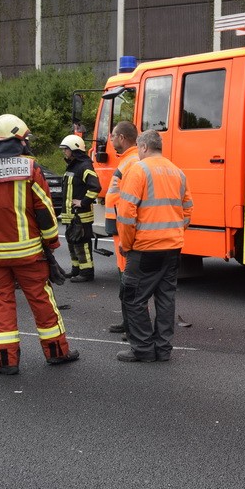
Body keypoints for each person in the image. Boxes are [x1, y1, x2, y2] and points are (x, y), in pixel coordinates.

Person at [0, 114, 79, 375]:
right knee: (41, 300)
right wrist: (51, 242)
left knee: (0, 302)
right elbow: (44, 209)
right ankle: (57, 351)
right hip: (29, 253)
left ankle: (4, 361)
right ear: (18, 139)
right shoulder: (30, 168)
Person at [115, 129, 192, 363]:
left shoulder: (138, 170)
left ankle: (143, 349)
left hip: (145, 249)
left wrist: (126, 245)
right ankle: (163, 349)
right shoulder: (177, 172)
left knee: (133, 298)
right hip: (172, 247)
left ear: (144, 147)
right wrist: (175, 233)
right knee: (165, 299)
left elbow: (127, 214)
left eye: (138, 148)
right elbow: (187, 209)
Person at [102, 121, 140, 334]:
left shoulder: (132, 162)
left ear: (122, 138)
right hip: (119, 229)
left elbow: (130, 202)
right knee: (124, 280)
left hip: (124, 230)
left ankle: (133, 327)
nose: (111, 140)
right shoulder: (128, 160)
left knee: (129, 282)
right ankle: (128, 323)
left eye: (113, 136)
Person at [58, 134, 101, 283]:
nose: (64, 152)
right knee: (72, 242)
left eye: (66, 149)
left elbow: (95, 187)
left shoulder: (84, 166)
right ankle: (76, 269)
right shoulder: (73, 166)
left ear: (74, 150)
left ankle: (87, 272)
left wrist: (83, 202)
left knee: (82, 244)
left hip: (81, 215)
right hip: (71, 215)